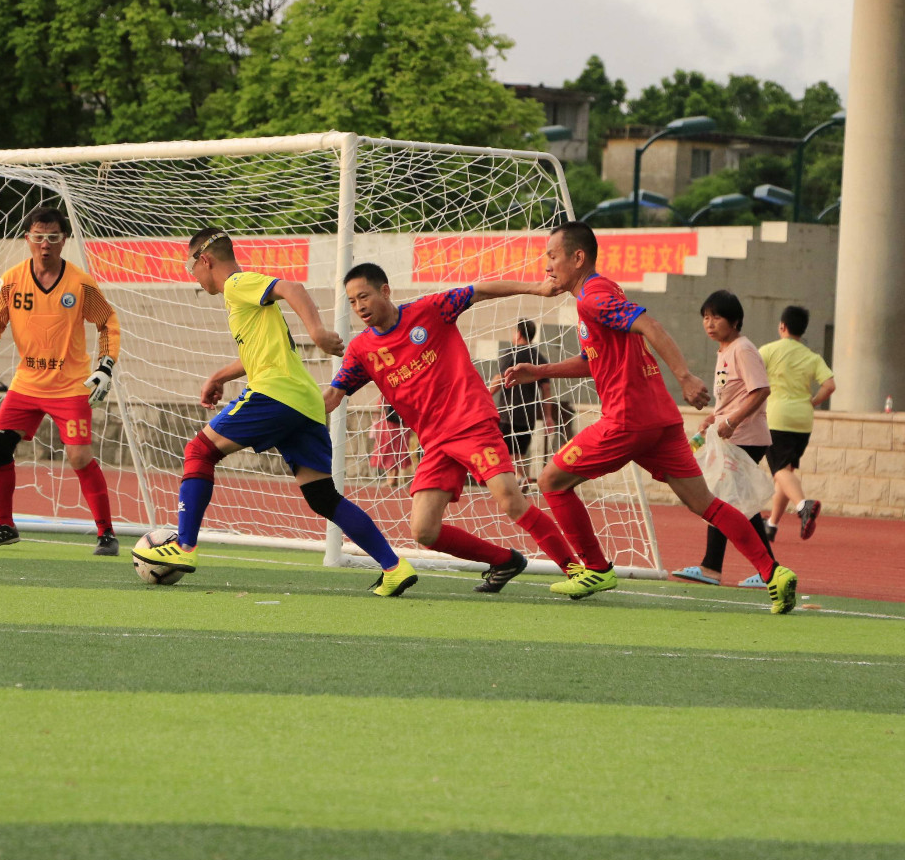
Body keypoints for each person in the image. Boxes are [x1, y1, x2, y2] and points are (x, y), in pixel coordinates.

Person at [502, 221, 797, 614]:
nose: (547, 266)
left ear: (578, 257)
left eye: (552, 256)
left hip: (628, 419)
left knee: (550, 480)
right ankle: (774, 573)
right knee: (705, 503)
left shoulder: (592, 295)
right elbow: (595, 361)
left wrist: (686, 376)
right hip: (660, 420)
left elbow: (650, 325)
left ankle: (594, 568)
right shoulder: (598, 294)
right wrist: (539, 371)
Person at [131, 228, 417, 596]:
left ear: (206, 260)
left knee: (199, 451)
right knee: (322, 496)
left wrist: (316, 332)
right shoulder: (241, 300)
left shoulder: (236, 284)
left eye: (192, 269)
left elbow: (292, 288)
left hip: (275, 395)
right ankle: (394, 566)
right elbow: (262, 353)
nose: (195, 279)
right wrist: (219, 375)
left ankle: (184, 547)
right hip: (305, 402)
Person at [325, 264, 582, 594]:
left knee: (510, 500)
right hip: (434, 442)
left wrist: (537, 288)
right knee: (424, 531)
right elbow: (334, 394)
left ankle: (576, 571)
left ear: (385, 291)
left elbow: (479, 290)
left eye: (364, 296)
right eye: (352, 301)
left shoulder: (430, 310)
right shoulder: (362, 349)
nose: (359, 306)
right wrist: (289, 415)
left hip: (471, 421)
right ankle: (505, 560)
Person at [0, 206, 122, 556]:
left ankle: (107, 533)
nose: (45, 245)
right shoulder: (11, 281)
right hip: (27, 385)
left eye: (52, 238)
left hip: (70, 386)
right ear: (27, 239)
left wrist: (105, 366)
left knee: (79, 458)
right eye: (38, 238)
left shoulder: (80, 283)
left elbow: (107, 321)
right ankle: (4, 525)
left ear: (64, 241)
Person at [670, 291, 774, 587]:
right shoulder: (725, 351)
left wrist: (732, 421)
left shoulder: (743, 349)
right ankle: (762, 568)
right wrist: (714, 418)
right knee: (733, 502)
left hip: (746, 437)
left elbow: (761, 390)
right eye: (705, 317)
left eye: (716, 317)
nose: (710, 323)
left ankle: (721, 567)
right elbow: (734, 396)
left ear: (735, 320)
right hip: (730, 434)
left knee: (722, 499)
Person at [759, 305, 835, 539]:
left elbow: (749, 376)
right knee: (786, 471)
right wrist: (812, 402)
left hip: (777, 417)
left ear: (782, 326)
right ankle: (771, 524)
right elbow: (830, 385)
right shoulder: (812, 357)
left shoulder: (769, 350)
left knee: (779, 470)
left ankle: (803, 506)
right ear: (802, 330)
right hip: (802, 420)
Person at [497, 320, 558, 482]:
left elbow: (499, 379)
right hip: (528, 414)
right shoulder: (539, 357)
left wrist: (484, 396)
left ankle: (517, 479)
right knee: (521, 452)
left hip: (508, 412)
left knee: (506, 452)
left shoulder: (510, 353)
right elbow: (546, 389)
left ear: (518, 333)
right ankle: (521, 479)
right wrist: (548, 416)